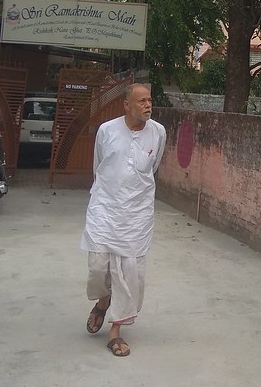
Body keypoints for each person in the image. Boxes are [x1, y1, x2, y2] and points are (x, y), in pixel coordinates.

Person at [80, 83, 166, 357]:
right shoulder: (106, 130)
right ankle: (103, 301)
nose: (148, 105)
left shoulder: (158, 133)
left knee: (129, 274)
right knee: (97, 266)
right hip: (104, 208)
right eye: (141, 101)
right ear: (126, 105)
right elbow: (98, 167)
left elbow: (153, 168)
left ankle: (115, 331)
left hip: (137, 214)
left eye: (149, 100)